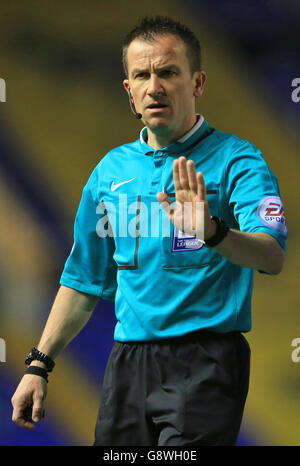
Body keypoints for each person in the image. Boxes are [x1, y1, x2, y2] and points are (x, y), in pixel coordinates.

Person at [11, 16, 287, 446]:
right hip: (128, 364)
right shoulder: (110, 172)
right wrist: (38, 364)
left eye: (168, 72)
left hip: (207, 362)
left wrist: (213, 232)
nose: (154, 86)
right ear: (129, 89)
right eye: (142, 74)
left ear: (197, 83)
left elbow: (271, 256)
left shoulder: (238, 160)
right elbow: (82, 279)